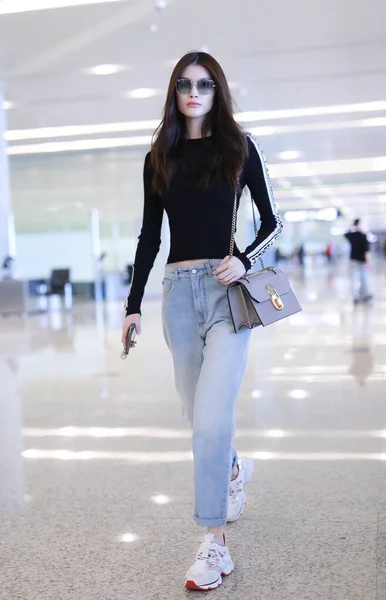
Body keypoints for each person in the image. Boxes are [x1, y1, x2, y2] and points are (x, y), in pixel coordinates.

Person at [121, 51, 283, 592]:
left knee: (211, 420)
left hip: (226, 293)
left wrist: (245, 259)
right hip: (176, 297)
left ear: (218, 91)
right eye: (186, 85)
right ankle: (233, 469)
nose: (195, 92)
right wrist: (132, 306)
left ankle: (213, 544)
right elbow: (149, 237)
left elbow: (273, 221)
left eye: (206, 84)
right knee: (198, 414)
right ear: (175, 92)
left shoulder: (238, 148)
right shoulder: (158, 157)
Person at [344, 218, 372, 304]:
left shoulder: (352, 235)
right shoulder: (363, 236)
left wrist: (352, 227)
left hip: (353, 260)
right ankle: (366, 295)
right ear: (360, 224)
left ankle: (355, 296)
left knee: (354, 279)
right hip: (362, 261)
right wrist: (369, 262)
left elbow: (346, 234)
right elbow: (366, 251)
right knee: (364, 278)